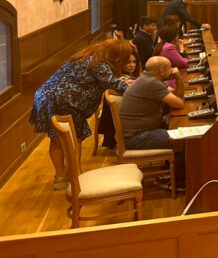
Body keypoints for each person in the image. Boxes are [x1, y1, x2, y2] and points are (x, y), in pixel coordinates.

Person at [28, 40, 134, 190]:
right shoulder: (99, 63)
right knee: (74, 138)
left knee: (56, 138)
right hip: (66, 100)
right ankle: (75, 175)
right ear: (117, 56)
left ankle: (60, 177)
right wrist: (130, 86)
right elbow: (111, 83)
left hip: (45, 96)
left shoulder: (83, 56)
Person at [119, 56, 186, 191]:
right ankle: (177, 182)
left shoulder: (149, 79)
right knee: (182, 139)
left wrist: (178, 79)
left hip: (141, 131)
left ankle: (170, 172)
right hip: (136, 138)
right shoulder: (151, 83)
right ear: (161, 71)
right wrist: (178, 77)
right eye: (170, 67)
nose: (173, 70)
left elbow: (176, 96)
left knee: (179, 128)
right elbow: (179, 103)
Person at [97, 47, 141, 149]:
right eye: (128, 62)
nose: (132, 65)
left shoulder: (129, 77)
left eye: (134, 62)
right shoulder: (121, 80)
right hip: (123, 117)